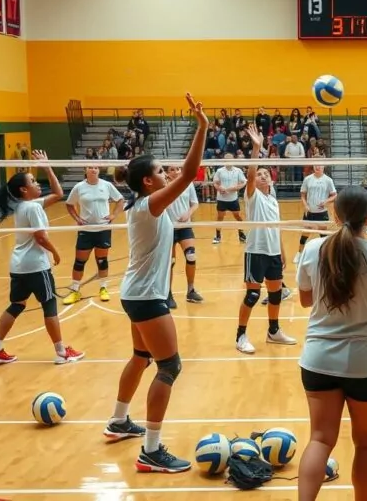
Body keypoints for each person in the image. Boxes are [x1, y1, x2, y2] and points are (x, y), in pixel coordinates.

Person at [104, 93, 209, 473]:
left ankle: (118, 420)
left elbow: (181, 175)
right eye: (161, 172)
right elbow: (190, 172)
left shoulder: (142, 205)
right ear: (148, 182)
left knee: (141, 357)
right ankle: (151, 449)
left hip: (136, 293)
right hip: (146, 298)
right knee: (170, 367)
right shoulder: (149, 206)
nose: (167, 174)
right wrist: (203, 127)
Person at [295, 186, 367, 501]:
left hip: (318, 359)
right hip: (365, 364)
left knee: (319, 440)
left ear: (335, 215)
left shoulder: (312, 250)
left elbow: (306, 301)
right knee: (365, 444)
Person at [0, 151, 84, 366]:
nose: (37, 183)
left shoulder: (26, 205)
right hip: (36, 266)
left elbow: (58, 193)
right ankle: (61, 352)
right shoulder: (32, 207)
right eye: (32, 181)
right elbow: (40, 236)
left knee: (17, 305)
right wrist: (56, 253)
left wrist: (46, 167)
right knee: (49, 305)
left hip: (18, 265)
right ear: (24, 189)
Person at [236, 125, 298, 355]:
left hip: (272, 252)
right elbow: (250, 175)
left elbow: (277, 227)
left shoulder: (273, 200)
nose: (262, 176)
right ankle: (240, 335)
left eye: (265, 174)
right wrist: (256, 148)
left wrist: (281, 251)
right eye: (259, 174)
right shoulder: (252, 196)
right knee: (253, 295)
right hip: (256, 251)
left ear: (271, 179)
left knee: (275, 294)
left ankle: (273, 331)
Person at [62, 166, 125, 305]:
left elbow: (120, 200)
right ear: (85, 170)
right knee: (79, 262)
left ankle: (103, 288)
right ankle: (75, 290)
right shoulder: (79, 187)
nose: (94, 169)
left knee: (102, 260)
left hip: (103, 228)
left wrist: (114, 214)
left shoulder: (106, 185)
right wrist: (77, 218)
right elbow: (69, 204)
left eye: (96, 167)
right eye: (90, 167)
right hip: (86, 230)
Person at [166, 164, 204, 307]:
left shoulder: (187, 184)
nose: (176, 172)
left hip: (184, 226)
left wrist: (188, 213)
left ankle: (191, 290)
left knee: (191, 256)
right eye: (172, 170)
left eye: (178, 169)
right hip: (168, 227)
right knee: (170, 262)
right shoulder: (163, 186)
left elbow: (194, 203)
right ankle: (167, 294)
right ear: (167, 173)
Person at [293, 164, 337, 264]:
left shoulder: (328, 180)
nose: (318, 167)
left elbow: (334, 195)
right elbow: (303, 195)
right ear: (313, 166)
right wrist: (305, 205)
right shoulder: (308, 179)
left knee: (323, 236)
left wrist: (326, 201)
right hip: (309, 212)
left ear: (323, 167)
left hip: (322, 213)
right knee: (304, 235)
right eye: (315, 165)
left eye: (320, 165)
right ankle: (299, 254)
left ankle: (325, 255)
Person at [211, 153, 246, 244]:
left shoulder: (238, 171)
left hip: (233, 199)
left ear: (233, 159)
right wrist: (219, 188)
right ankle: (218, 236)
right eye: (226, 159)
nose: (228, 161)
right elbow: (215, 183)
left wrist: (236, 188)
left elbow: (243, 182)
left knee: (238, 216)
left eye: (230, 159)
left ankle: (241, 234)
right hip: (222, 199)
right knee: (220, 218)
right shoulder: (219, 171)